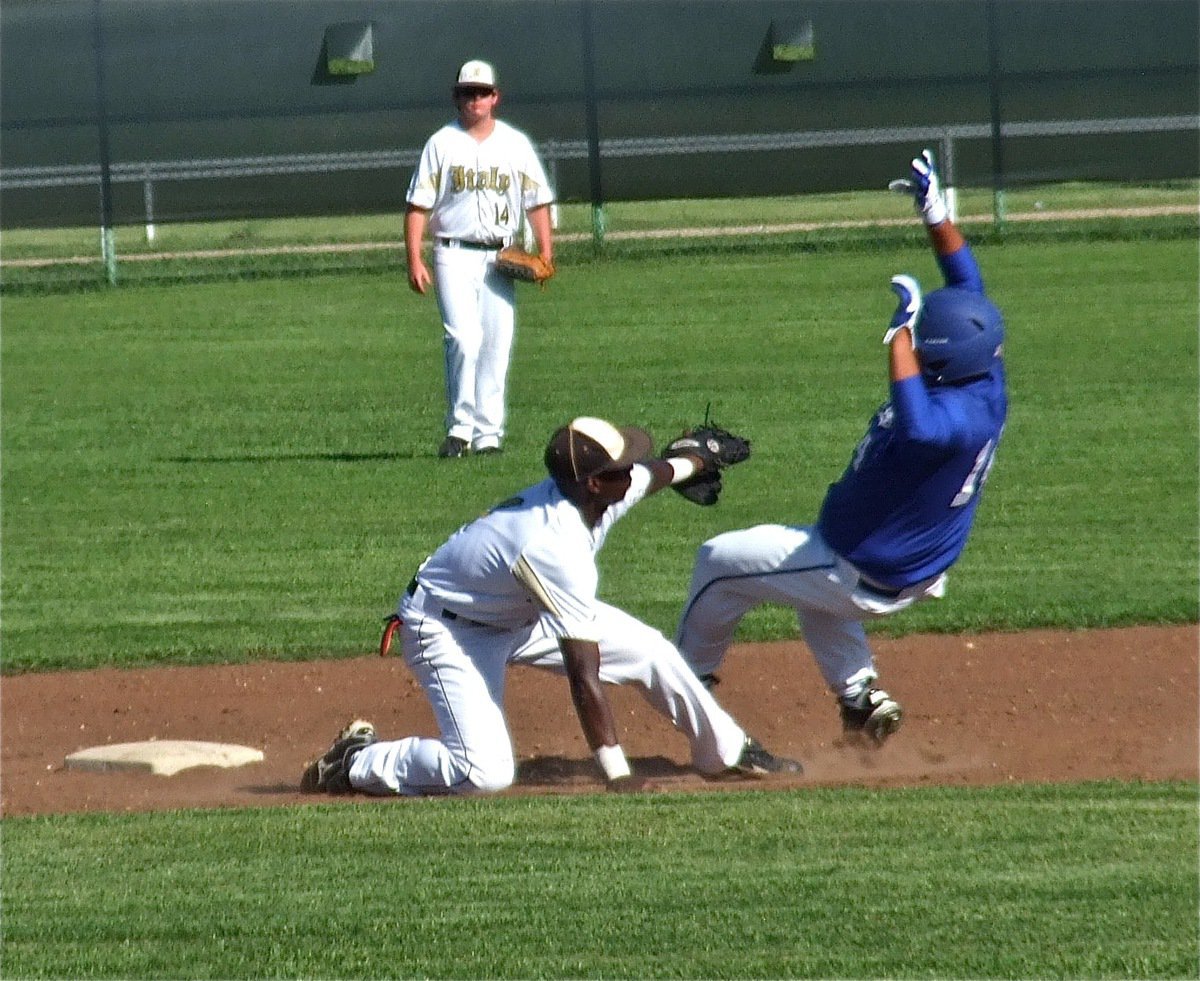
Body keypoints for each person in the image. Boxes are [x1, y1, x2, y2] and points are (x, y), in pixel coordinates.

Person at [673, 149, 1008, 746]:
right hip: (903, 559)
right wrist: (935, 213)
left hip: (866, 569)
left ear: (937, 357)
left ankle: (685, 684)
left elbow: (917, 427)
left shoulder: (949, 421)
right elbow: (967, 286)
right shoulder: (982, 371)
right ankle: (860, 701)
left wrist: (898, 334)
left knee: (718, 562)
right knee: (808, 585)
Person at [301, 416, 802, 796]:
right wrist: (617, 773)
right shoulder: (552, 544)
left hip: (518, 609)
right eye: (620, 466)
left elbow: (653, 474)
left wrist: (698, 461)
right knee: (483, 773)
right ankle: (355, 762)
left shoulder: (599, 491)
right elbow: (583, 672)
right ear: (594, 482)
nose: (630, 470)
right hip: (449, 628)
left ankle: (725, 752)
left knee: (650, 650)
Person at [404, 59, 556, 459]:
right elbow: (418, 206)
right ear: (456, 98)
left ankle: (489, 434)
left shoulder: (515, 144)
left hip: (501, 256)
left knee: (496, 344)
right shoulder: (441, 143)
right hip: (452, 253)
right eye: (467, 92)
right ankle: (459, 430)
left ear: (495, 97)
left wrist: (546, 251)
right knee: (463, 339)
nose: (475, 99)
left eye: (482, 92)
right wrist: (414, 259)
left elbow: (537, 200)